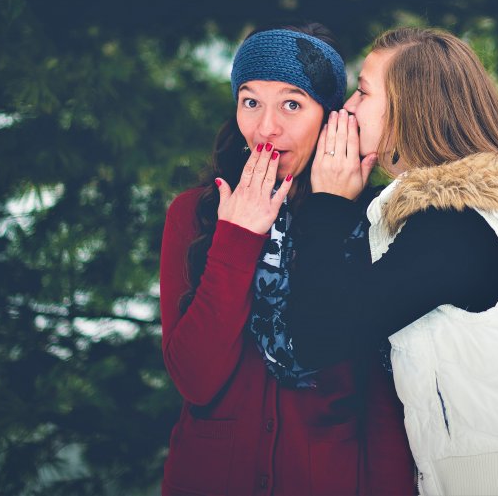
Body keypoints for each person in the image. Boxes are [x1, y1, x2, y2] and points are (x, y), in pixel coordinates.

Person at [283, 27, 498, 496]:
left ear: (409, 109)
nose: (348, 108)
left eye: (364, 91)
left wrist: (328, 203)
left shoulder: (455, 230)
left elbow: (316, 336)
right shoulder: (479, 214)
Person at [158, 25, 414, 496]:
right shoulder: (194, 214)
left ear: (330, 118)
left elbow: (381, 399)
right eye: (251, 101)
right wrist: (236, 238)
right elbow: (195, 380)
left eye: (292, 104)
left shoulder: (369, 219)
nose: (265, 128)